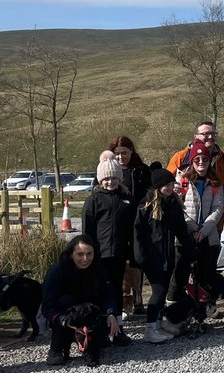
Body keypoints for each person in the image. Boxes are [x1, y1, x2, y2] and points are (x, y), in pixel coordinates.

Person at [133, 168, 195, 343]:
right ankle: (150, 328)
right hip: (152, 256)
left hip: (167, 255)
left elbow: (181, 230)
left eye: (171, 184)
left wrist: (190, 249)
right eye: (165, 185)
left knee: (163, 290)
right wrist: (140, 257)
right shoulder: (145, 206)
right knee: (158, 292)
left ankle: (157, 324)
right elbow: (137, 233)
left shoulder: (173, 203)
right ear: (157, 187)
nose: (169, 188)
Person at [81, 151, 136, 344]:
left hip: (119, 255)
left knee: (117, 292)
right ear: (100, 179)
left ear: (119, 178)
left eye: (114, 178)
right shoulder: (93, 200)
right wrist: (88, 254)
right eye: (106, 178)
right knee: (100, 292)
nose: (110, 182)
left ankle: (118, 329)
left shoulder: (126, 199)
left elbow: (132, 228)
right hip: (99, 255)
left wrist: (131, 252)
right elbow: (87, 231)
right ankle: (100, 331)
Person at [42, 234, 120, 367]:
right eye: (80, 254)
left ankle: (94, 344)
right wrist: (63, 320)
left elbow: (109, 295)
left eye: (89, 254)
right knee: (65, 301)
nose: (85, 259)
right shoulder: (57, 271)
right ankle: (57, 348)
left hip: (90, 310)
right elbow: (48, 307)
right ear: (71, 254)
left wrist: (111, 313)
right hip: (65, 314)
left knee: (100, 315)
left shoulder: (99, 268)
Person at [178, 140, 224, 316]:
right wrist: (192, 229)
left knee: (206, 276)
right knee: (182, 277)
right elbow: (179, 207)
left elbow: (218, 208)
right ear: (191, 161)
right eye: (197, 159)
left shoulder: (215, 182)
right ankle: (182, 311)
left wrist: (203, 231)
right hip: (186, 236)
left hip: (208, 237)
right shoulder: (183, 179)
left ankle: (204, 312)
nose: (201, 163)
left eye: (204, 159)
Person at [109, 136, 153, 316]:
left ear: (131, 152)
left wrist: (141, 207)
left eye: (124, 153)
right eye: (117, 154)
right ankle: (124, 298)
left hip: (138, 221)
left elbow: (150, 192)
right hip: (118, 222)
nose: (120, 158)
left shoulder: (141, 170)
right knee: (121, 262)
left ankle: (138, 298)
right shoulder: (109, 171)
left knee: (136, 261)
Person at [166, 120, 224, 226]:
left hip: (214, 225)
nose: (210, 136)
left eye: (213, 133)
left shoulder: (223, 160)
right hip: (183, 224)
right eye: (205, 134)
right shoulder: (180, 157)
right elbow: (165, 183)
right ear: (196, 136)